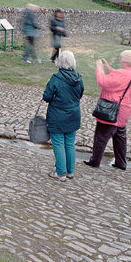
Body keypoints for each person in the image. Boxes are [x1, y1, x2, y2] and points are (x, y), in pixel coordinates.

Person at [84, 50, 131, 170]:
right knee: (120, 137)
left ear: (125, 61)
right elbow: (119, 76)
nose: (120, 61)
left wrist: (99, 68)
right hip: (125, 111)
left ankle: (95, 161)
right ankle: (121, 163)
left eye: (121, 59)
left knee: (101, 137)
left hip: (111, 110)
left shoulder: (122, 74)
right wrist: (108, 67)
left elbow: (102, 82)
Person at [42, 50, 84, 181]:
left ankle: (61, 172)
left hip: (58, 116)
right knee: (70, 143)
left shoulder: (56, 78)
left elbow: (47, 97)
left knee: (59, 143)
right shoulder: (78, 78)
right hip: (73, 114)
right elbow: (80, 94)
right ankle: (70, 171)